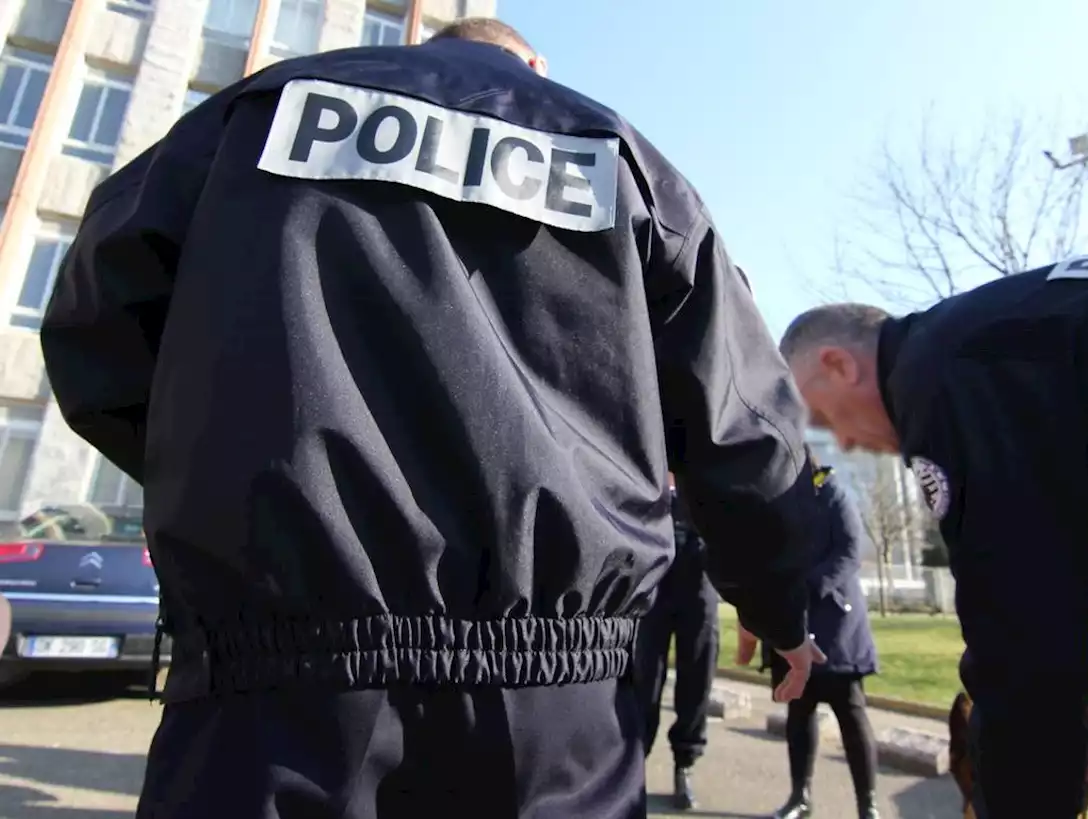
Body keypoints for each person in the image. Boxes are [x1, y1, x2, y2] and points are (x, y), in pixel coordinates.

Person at [39, 18, 826, 819]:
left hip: (267, 692)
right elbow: (742, 424)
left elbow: (91, 327)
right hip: (553, 714)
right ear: (532, 64)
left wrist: (227, 467)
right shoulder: (618, 158)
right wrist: (780, 607)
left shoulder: (256, 116)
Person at [776, 250, 1088, 819]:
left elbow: (1022, 636)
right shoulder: (1010, 334)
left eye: (819, 418)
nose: (839, 443)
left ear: (839, 364)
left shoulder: (939, 372)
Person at [739, 450, 880, 819]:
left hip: (836, 627)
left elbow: (849, 552)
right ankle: (800, 797)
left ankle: (868, 804)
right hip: (791, 626)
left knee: (851, 716)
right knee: (798, 716)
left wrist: (805, 587)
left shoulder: (834, 494)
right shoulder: (775, 503)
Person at [634, 472, 719, 810]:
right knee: (643, 681)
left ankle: (684, 764)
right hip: (653, 583)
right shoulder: (646, 460)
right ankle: (632, 766)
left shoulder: (705, 459)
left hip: (699, 578)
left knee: (697, 678)